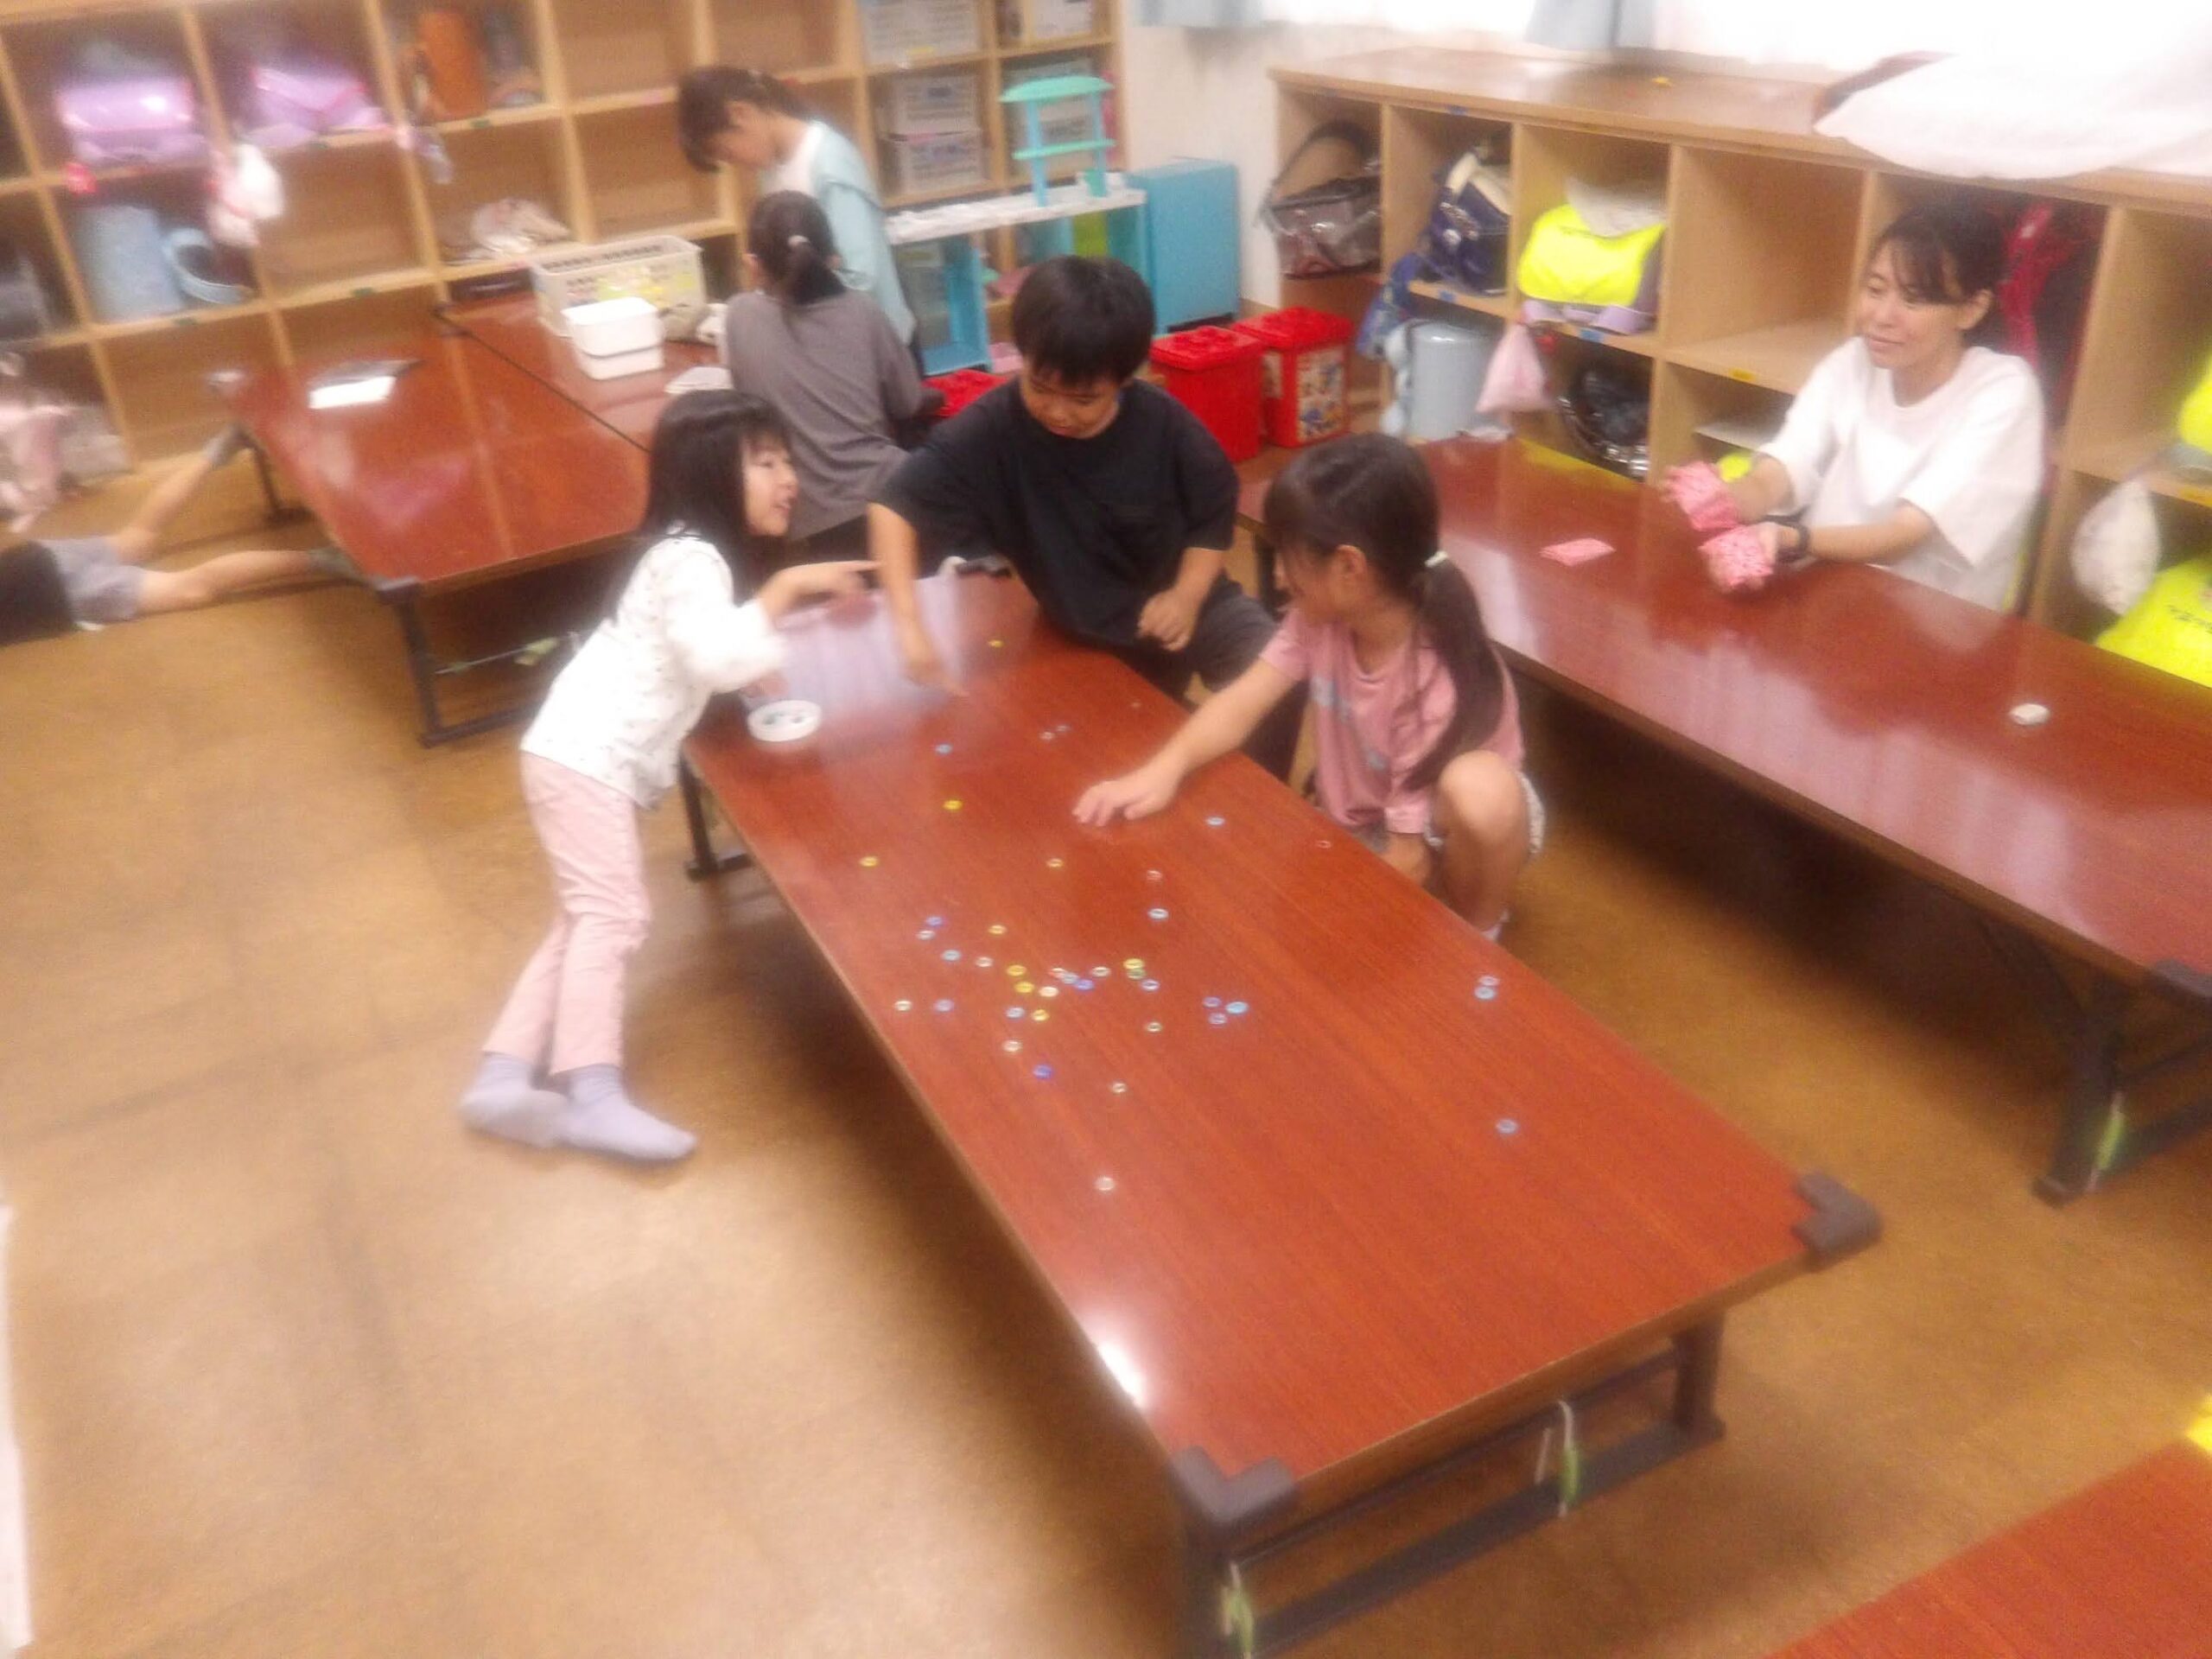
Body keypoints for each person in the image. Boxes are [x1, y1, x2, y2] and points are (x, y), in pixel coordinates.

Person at [461, 392, 871, 1164]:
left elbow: (698, 653)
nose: (789, 477)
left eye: (787, 460)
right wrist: (784, 592)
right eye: (766, 462)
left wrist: (751, 675)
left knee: (584, 918)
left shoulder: (684, 554)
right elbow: (712, 656)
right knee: (614, 917)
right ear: (711, 472)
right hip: (587, 757)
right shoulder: (691, 557)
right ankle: (592, 1095)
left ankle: (502, 1077)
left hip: (570, 752)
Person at [1076, 435, 1541, 938]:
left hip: (1444, 824)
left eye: (1287, 556)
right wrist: (1162, 770)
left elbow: (1410, 857)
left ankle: (1482, 929)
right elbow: (1241, 701)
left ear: (1349, 568)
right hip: (1371, 814)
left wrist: (1323, 920)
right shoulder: (1319, 618)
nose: (1277, 575)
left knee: (1473, 798)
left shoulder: (1431, 678)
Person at [870, 256, 1302, 778]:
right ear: (1021, 358)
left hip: (1193, 602)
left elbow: (1214, 508)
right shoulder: (993, 427)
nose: (1058, 411)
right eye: (1039, 386)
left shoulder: (1167, 428)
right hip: (1085, 632)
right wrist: (909, 628)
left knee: (1276, 675)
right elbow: (895, 505)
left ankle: (1259, 800)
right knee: (1102, 758)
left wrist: (1186, 597)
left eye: (1083, 399)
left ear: (1125, 380)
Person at [1675, 202, 2044, 612]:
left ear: (1972, 309)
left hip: (1933, 625)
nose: (1881, 316)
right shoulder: (1852, 362)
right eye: (1875, 289)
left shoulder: (2004, 390)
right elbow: (1787, 464)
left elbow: (1905, 535)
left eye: (1913, 299)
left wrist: (1790, 538)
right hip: (1827, 599)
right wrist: (1730, 499)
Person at [723, 191, 929, 562]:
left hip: (801, 518)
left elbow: (744, 402)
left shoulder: (738, 316)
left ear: (753, 265)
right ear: (833, 259)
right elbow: (908, 401)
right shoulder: (863, 311)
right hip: (893, 499)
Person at [0, 427, 329, 650]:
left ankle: (330, 560)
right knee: (138, 537)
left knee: (190, 588)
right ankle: (218, 450)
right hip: (36, 558)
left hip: (49, 594)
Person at [677, 67, 915, 347]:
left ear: (740, 113)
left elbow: (862, 279)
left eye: (727, 153)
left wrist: (777, 303)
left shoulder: (831, 165)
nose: (736, 165)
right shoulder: (772, 168)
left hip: (875, 347)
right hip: (826, 339)